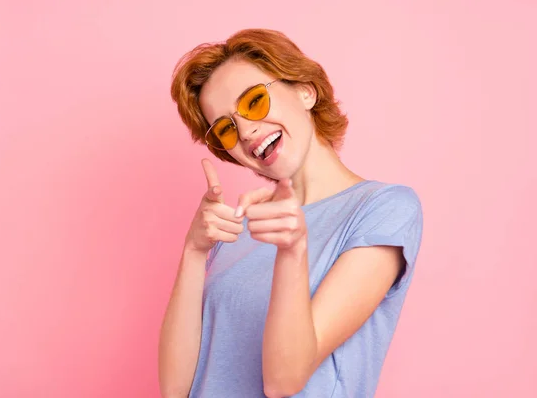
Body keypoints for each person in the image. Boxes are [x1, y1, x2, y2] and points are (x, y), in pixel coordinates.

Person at [158, 29, 423, 398]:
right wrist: (194, 251)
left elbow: (284, 380)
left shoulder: (383, 208)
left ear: (304, 90)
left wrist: (292, 251)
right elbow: (175, 388)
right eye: (225, 128)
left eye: (254, 101)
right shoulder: (239, 226)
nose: (246, 130)